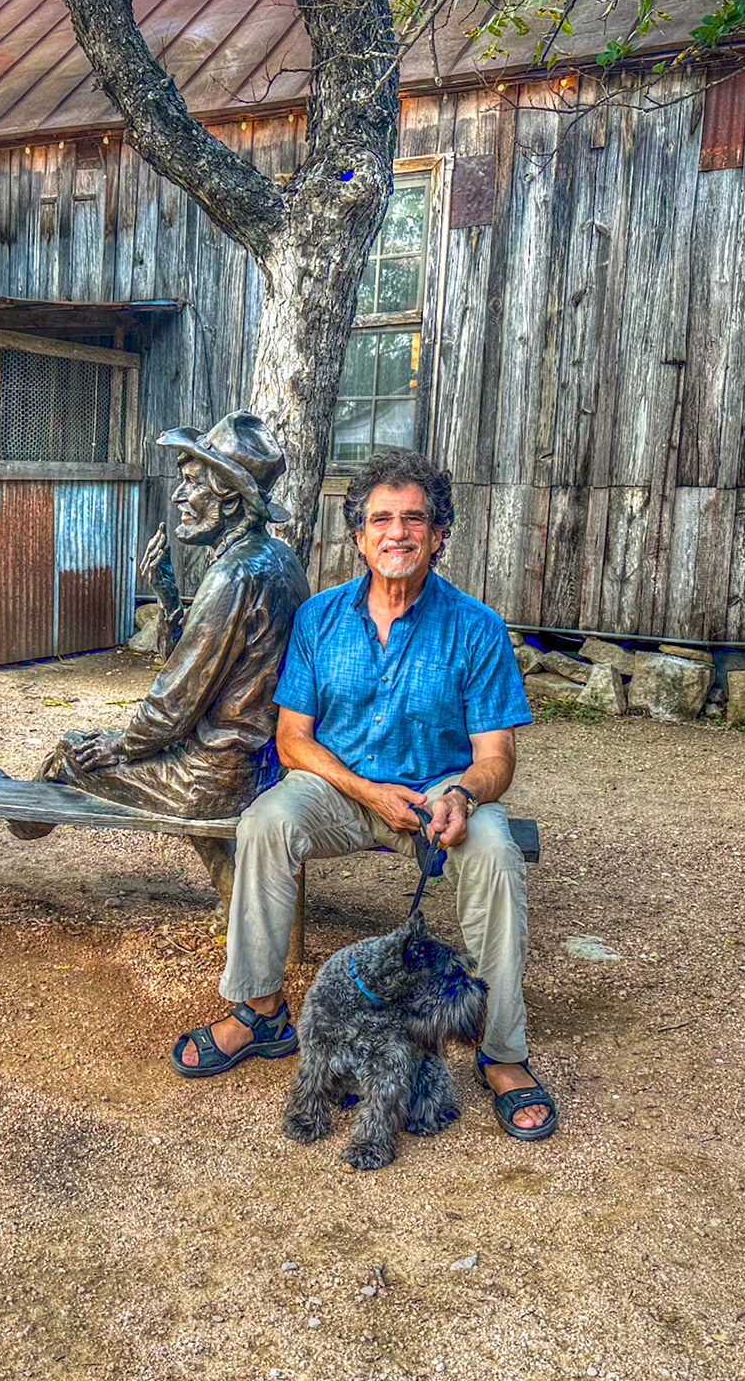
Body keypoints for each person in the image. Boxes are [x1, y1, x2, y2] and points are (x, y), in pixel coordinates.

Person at [171, 448, 556, 1142]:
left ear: (439, 534)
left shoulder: (475, 628)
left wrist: (465, 796)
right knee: (265, 822)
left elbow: (496, 757)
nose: (397, 533)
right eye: (381, 519)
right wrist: (367, 792)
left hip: (440, 793)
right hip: (341, 788)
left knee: (497, 852)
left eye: (415, 519)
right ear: (358, 536)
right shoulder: (320, 618)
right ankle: (260, 1011)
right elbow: (293, 742)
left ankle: (502, 1052)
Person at [0, 411, 309, 901]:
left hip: (217, 776)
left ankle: (21, 816)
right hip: (254, 762)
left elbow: (175, 701)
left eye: (193, 483)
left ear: (233, 500)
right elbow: (213, 679)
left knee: (75, 750)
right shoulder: (278, 560)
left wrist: (122, 744)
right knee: (150, 750)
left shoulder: (233, 577)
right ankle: (238, 899)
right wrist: (171, 599)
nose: (178, 496)